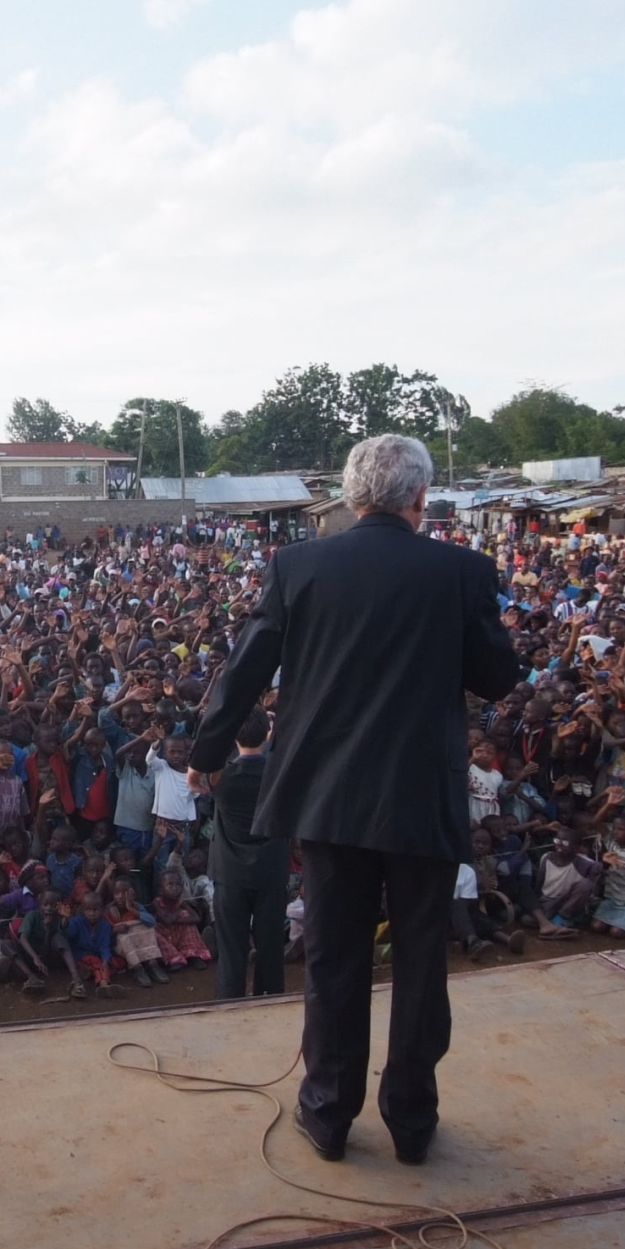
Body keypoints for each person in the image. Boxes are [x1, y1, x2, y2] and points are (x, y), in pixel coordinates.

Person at [190, 435, 520, 1166]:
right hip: (421, 794)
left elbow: (243, 672)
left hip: (331, 796)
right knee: (420, 959)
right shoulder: (462, 570)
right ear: (420, 499)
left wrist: (205, 754)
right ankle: (411, 1122)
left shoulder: (298, 565)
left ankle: (329, 1114)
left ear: (350, 495)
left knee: (336, 960)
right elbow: (498, 678)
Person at [205, 709, 287, 999]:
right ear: (267, 732)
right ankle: (271, 999)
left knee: (231, 949)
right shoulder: (279, 774)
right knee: (271, 945)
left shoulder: (220, 778)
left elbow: (202, 761)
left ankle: (230, 1003)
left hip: (230, 873)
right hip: (272, 870)